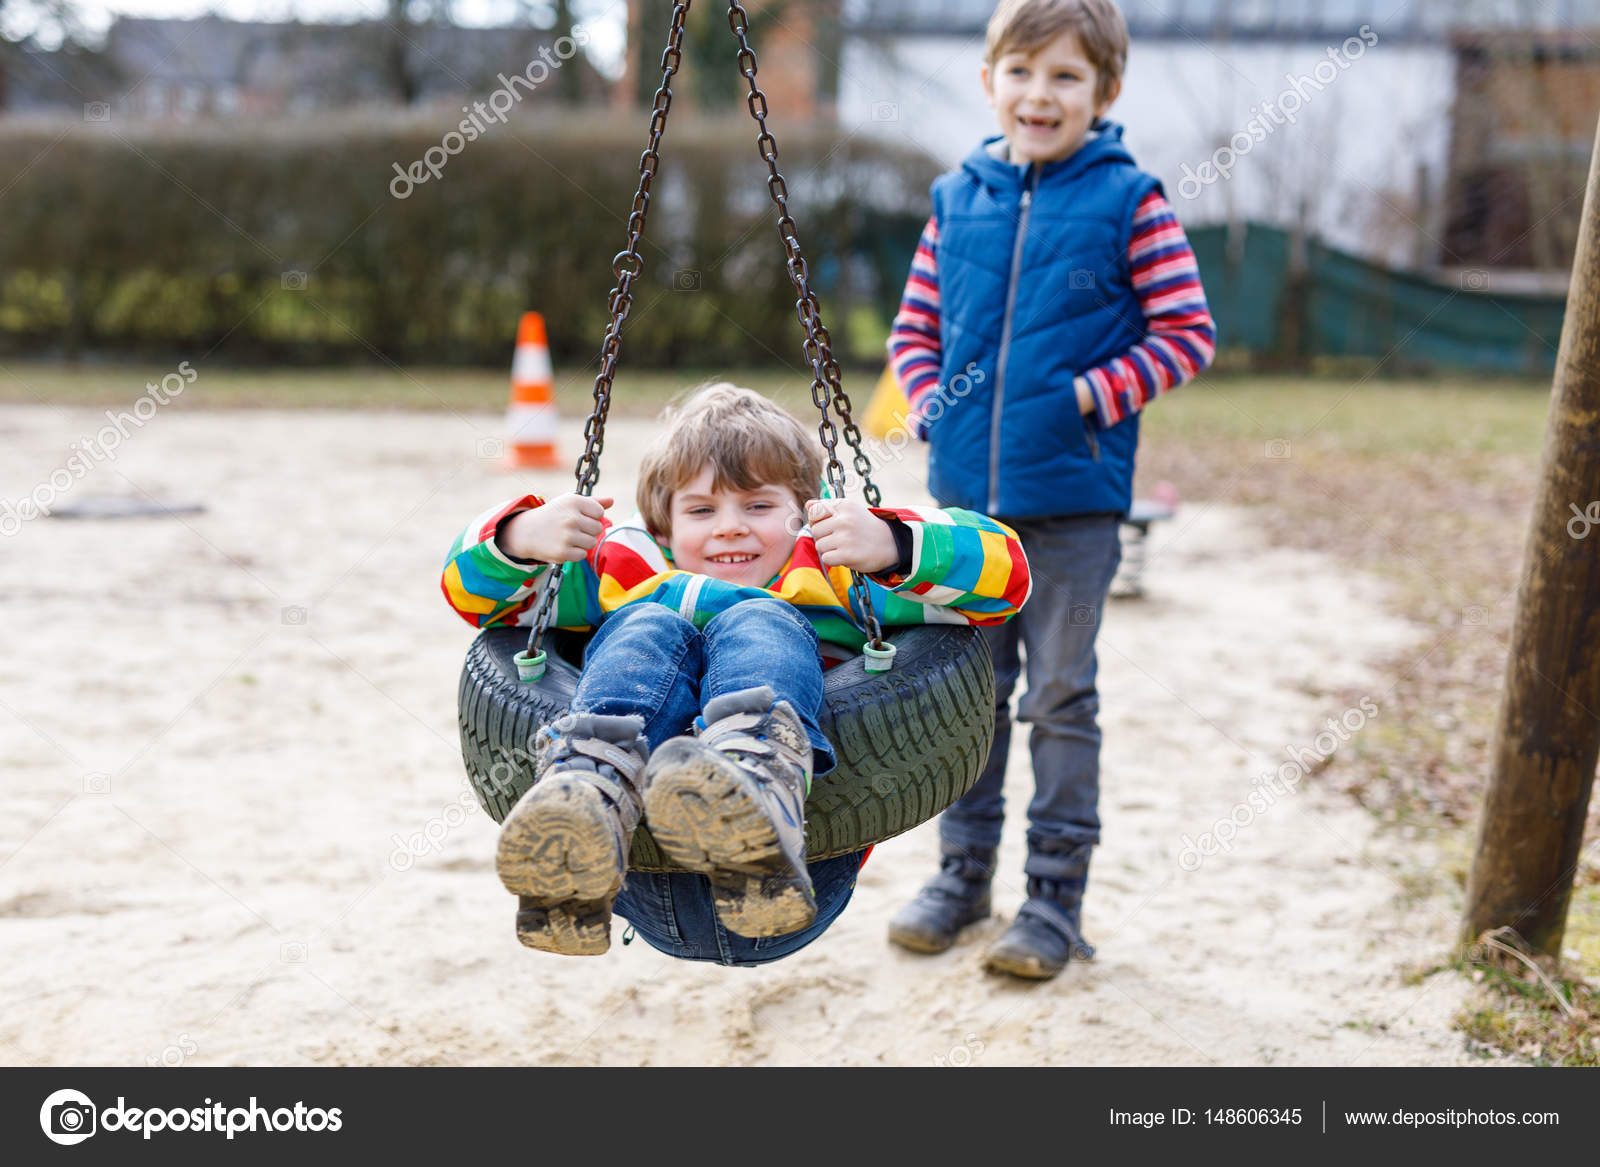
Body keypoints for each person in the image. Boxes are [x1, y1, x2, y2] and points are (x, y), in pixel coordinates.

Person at [441, 383, 1031, 966]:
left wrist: (894, 542)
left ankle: (755, 791)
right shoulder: (622, 571)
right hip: (638, 871)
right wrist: (518, 540)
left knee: (761, 619)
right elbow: (476, 599)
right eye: (701, 510)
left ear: (807, 516)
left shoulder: (838, 573)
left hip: (802, 860)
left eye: (758, 506)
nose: (729, 526)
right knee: (645, 626)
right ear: (663, 529)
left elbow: (1007, 581)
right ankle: (587, 802)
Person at [884, 0, 1216, 979]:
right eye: (1022, 72)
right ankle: (958, 879)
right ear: (989, 80)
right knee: (964, 697)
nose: (1041, 94)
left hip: (1070, 508)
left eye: (1066, 77)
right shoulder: (957, 199)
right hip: (965, 515)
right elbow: (913, 331)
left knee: (1059, 697)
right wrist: (930, 402)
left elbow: (1185, 332)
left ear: (1104, 93)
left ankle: (1054, 902)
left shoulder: (1129, 199)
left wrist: (1084, 397)